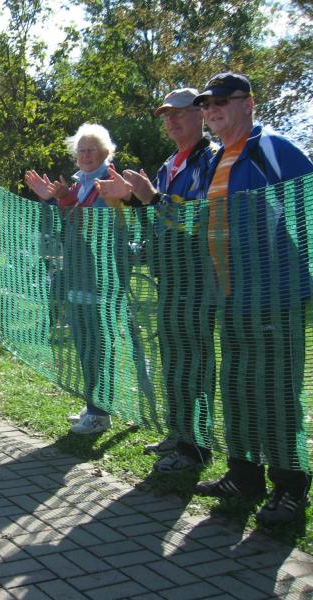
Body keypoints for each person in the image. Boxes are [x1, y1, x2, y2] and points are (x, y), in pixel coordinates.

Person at [175, 72, 313, 526]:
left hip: (274, 298)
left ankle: (290, 486)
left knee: (276, 392)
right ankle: (244, 476)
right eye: (206, 104)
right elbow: (196, 221)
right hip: (230, 298)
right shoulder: (217, 160)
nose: (211, 111)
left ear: (249, 103)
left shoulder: (272, 147)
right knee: (237, 388)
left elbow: (307, 209)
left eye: (221, 102)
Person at [96, 88, 219, 473]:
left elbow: (201, 218)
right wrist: (132, 200)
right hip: (169, 276)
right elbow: (158, 219)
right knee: (173, 360)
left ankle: (197, 447)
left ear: (200, 114)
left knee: (195, 362)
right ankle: (179, 433)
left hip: (197, 276)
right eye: (166, 115)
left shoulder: (212, 159)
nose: (171, 121)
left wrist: (149, 199)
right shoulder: (170, 164)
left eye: (179, 112)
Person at [25, 123, 138, 435]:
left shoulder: (109, 183)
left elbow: (95, 227)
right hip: (77, 275)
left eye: (92, 150)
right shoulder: (79, 185)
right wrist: (52, 200)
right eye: (82, 150)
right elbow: (66, 225)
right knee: (84, 343)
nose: (86, 155)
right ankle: (94, 404)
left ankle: (100, 413)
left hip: (99, 279)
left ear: (105, 153)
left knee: (96, 345)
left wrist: (62, 201)